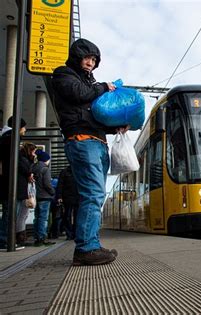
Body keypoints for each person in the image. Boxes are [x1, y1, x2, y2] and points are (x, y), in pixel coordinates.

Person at [52, 38, 126, 265]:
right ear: (77, 57)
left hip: (96, 141)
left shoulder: (88, 84)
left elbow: (93, 116)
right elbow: (78, 94)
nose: (90, 63)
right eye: (87, 58)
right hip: (82, 141)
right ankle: (85, 249)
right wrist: (102, 87)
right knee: (93, 194)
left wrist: (115, 128)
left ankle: (91, 244)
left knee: (96, 195)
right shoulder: (64, 75)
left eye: (94, 59)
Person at [0, 117, 27, 249]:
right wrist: (28, 171)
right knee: (9, 213)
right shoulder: (10, 139)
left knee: (9, 212)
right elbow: (17, 161)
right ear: (19, 127)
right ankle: (5, 240)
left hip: (8, 182)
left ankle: (6, 239)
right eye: (24, 127)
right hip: (10, 183)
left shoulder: (7, 139)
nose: (25, 130)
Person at [32, 150, 56, 246]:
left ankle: (37, 238)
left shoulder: (34, 167)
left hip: (36, 196)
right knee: (43, 218)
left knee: (37, 218)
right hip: (45, 196)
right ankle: (42, 238)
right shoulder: (45, 169)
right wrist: (53, 192)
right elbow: (47, 184)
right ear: (46, 159)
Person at [16, 142, 37, 246]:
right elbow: (27, 170)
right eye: (33, 151)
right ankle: (19, 237)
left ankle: (20, 236)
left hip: (22, 190)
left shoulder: (23, 159)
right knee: (21, 215)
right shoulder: (23, 160)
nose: (34, 154)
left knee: (22, 214)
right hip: (21, 191)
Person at [56, 165, 79, 240]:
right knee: (67, 216)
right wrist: (59, 196)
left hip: (76, 198)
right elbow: (60, 185)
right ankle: (70, 234)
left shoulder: (79, 171)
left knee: (76, 217)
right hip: (67, 198)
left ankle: (74, 234)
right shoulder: (64, 172)